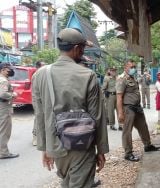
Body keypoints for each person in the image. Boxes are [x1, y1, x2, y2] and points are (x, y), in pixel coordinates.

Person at [32, 28, 109, 187]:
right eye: (82, 48)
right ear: (76, 48)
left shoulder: (40, 75)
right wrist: (100, 149)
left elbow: (40, 116)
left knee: (67, 183)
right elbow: (97, 116)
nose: (83, 51)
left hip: (56, 146)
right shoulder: (87, 75)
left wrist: (45, 148)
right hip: (82, 145)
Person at [116, 59, 159, 162]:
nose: (133, 69)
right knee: (127, 131)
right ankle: (128, 153)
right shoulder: (122, 79)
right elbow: (119, 97)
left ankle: (147, 145)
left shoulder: (132, 77)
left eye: (134, 67)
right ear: (125, 67)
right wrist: (120, 113)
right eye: (131, 67)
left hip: (137, 107)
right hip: (128, 108)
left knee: (143, 126)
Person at [0, 63, 19, 159]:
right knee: (4, 131)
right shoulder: (3, 80)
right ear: (3, 69)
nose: (11, 71)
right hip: (3, 107)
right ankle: (3, 153)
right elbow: (3, 94)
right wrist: (13, 95)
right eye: (9, 69)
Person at [32, 60, 46, 146]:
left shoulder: (41, 74)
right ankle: (35, 138)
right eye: (43, 65)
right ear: (38, 67)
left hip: (41, 99)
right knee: (38, 118)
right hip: (37, 100)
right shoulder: (36, 75)